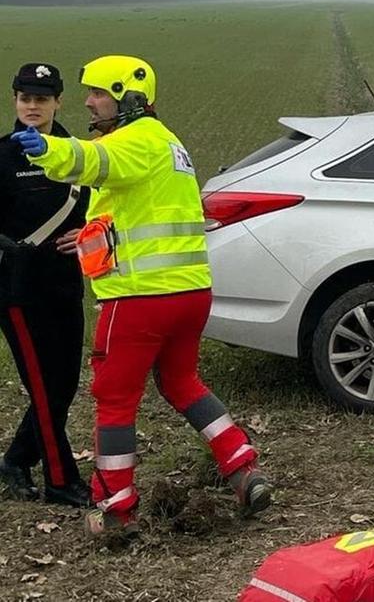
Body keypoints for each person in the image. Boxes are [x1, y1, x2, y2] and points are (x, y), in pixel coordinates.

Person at [10, 55, 273, 537]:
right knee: (181, 383)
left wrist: (47, 149)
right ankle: (241, 464)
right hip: (190, 293)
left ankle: (114, 507)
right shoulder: (169, 144)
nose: (89, 101)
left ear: (127, 98)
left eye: (97, 93)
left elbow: (91, 161)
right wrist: (92, 234)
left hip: (138, 299)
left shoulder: (131, 141)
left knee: (113, 398)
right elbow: (138, 210)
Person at [0, 63, 91, 507]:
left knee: (65, 382)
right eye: (24, 98)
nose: (32, 106)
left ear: (57, 101)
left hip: (66, 283)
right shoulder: (2, 157)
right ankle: (60, 479)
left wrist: (90, 233)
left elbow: (100, 210)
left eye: (41, 98)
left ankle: (16, 459)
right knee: (43, 385)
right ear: (15, 100)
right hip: (17, 290)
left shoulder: (79, 153)